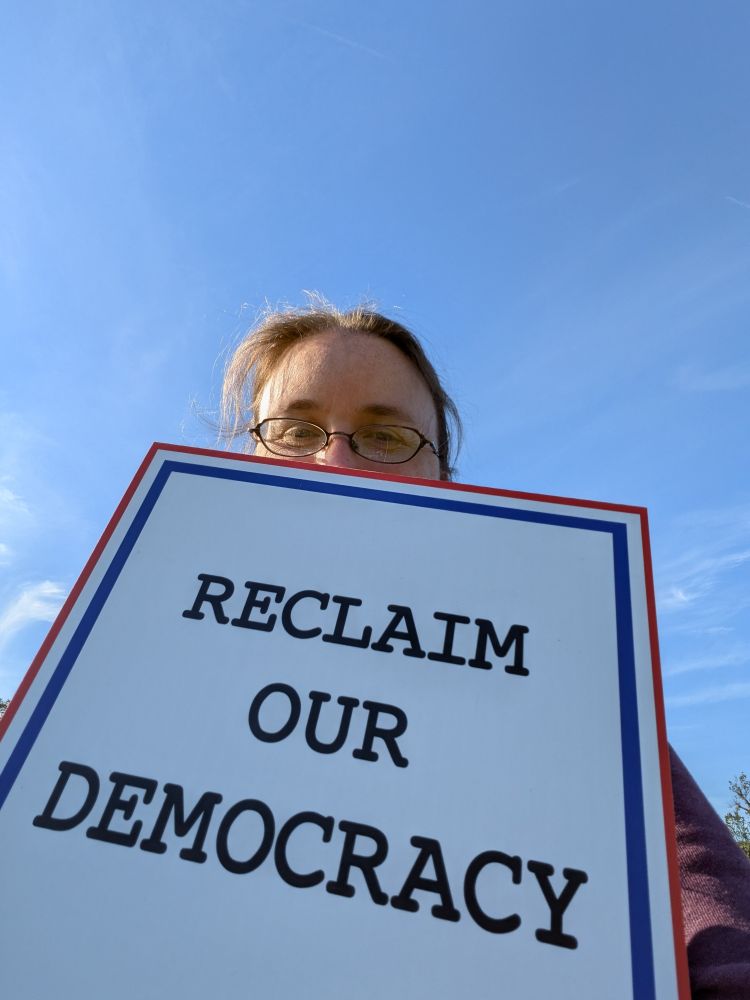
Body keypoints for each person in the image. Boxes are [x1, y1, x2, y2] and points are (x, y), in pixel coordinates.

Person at [221, 299, 750, 997]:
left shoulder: (570, 693)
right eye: (295, 429)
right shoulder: (123, 653)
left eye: (386, 438)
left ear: (444, 482)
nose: (337, 462)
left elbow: (703, 917)